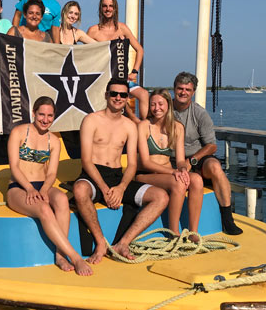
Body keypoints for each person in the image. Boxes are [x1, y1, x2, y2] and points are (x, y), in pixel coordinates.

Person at [73, 79, 169, 263]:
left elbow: (132, 164)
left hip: (117, 176)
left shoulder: (129, 126)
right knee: (79, 190)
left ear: (127, 98)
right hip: (93, 175)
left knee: (161, 197)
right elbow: (86, 160)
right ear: (106, 95)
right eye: (114, 93)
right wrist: (104, 188)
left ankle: (123, 243)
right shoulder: (91, 120)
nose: (118, 98)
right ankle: (100, 243)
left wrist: (121, 188)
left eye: (123, 95)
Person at [7, 96, 92, 276]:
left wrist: (44, 189)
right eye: (41, 115)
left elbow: (52, 173)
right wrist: (29, 189)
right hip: (19, 186)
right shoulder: (18, 132)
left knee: (62, 199)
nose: (45, 120)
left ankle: (60, 255)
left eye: (50, 116)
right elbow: (14, 167)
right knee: (44, 209)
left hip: (42, 184)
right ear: (33, 113)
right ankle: (75, 257)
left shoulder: (53, 141)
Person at [172, 72, 242, 235]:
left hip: (196, 158)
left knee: (215, 167)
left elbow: (212, 146)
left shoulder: (200, 113)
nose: (183, 92)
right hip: (171, 158)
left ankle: (227, 219)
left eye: (188, 89)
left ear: (193, 92)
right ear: (174, 89)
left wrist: (192, 161)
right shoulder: (164, 109)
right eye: (180, 88)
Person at [136, 89, 203, 241]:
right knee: (179, 183)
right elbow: (146, 162)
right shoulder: (144, 126)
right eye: (153, 104)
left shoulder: (177, 127)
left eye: (160, 104)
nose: (156, 108)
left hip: (168, 174)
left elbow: (180, 161)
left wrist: (183, 169)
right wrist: (173, 172)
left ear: (168, 105)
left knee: (197, 180)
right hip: (146, 175)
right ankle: (173, 233)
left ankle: (193, 233)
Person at [87, 0, 149, 122]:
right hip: (102, 79)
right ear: (100, 9)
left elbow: (139, 50)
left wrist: (134, 71)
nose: (108, 9)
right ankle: (133, 120)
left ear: (115, 9)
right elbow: (85, 56)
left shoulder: (122, 28)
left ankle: (145, 126)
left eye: (111, 6)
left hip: (121, 77)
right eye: (105, 6)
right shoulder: (93, 31)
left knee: (144, 94)